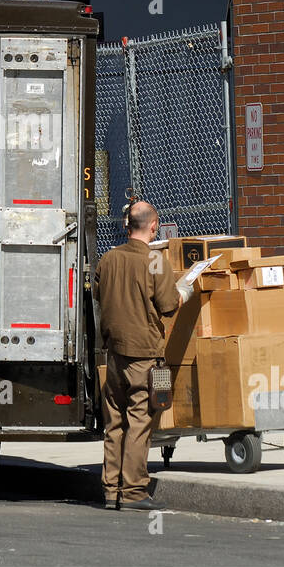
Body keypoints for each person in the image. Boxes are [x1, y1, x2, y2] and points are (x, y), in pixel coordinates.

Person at [93, 200, 193, 510]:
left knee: (114, 423)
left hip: (113, 355)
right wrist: (185, 290)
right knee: (139, 421)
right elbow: (168, 305)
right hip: (145, 355)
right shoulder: (155, 261)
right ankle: (135, 491)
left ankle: (111, 490)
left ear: (127, 226)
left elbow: (98, 294)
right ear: (153, 226)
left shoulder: (107, 259)